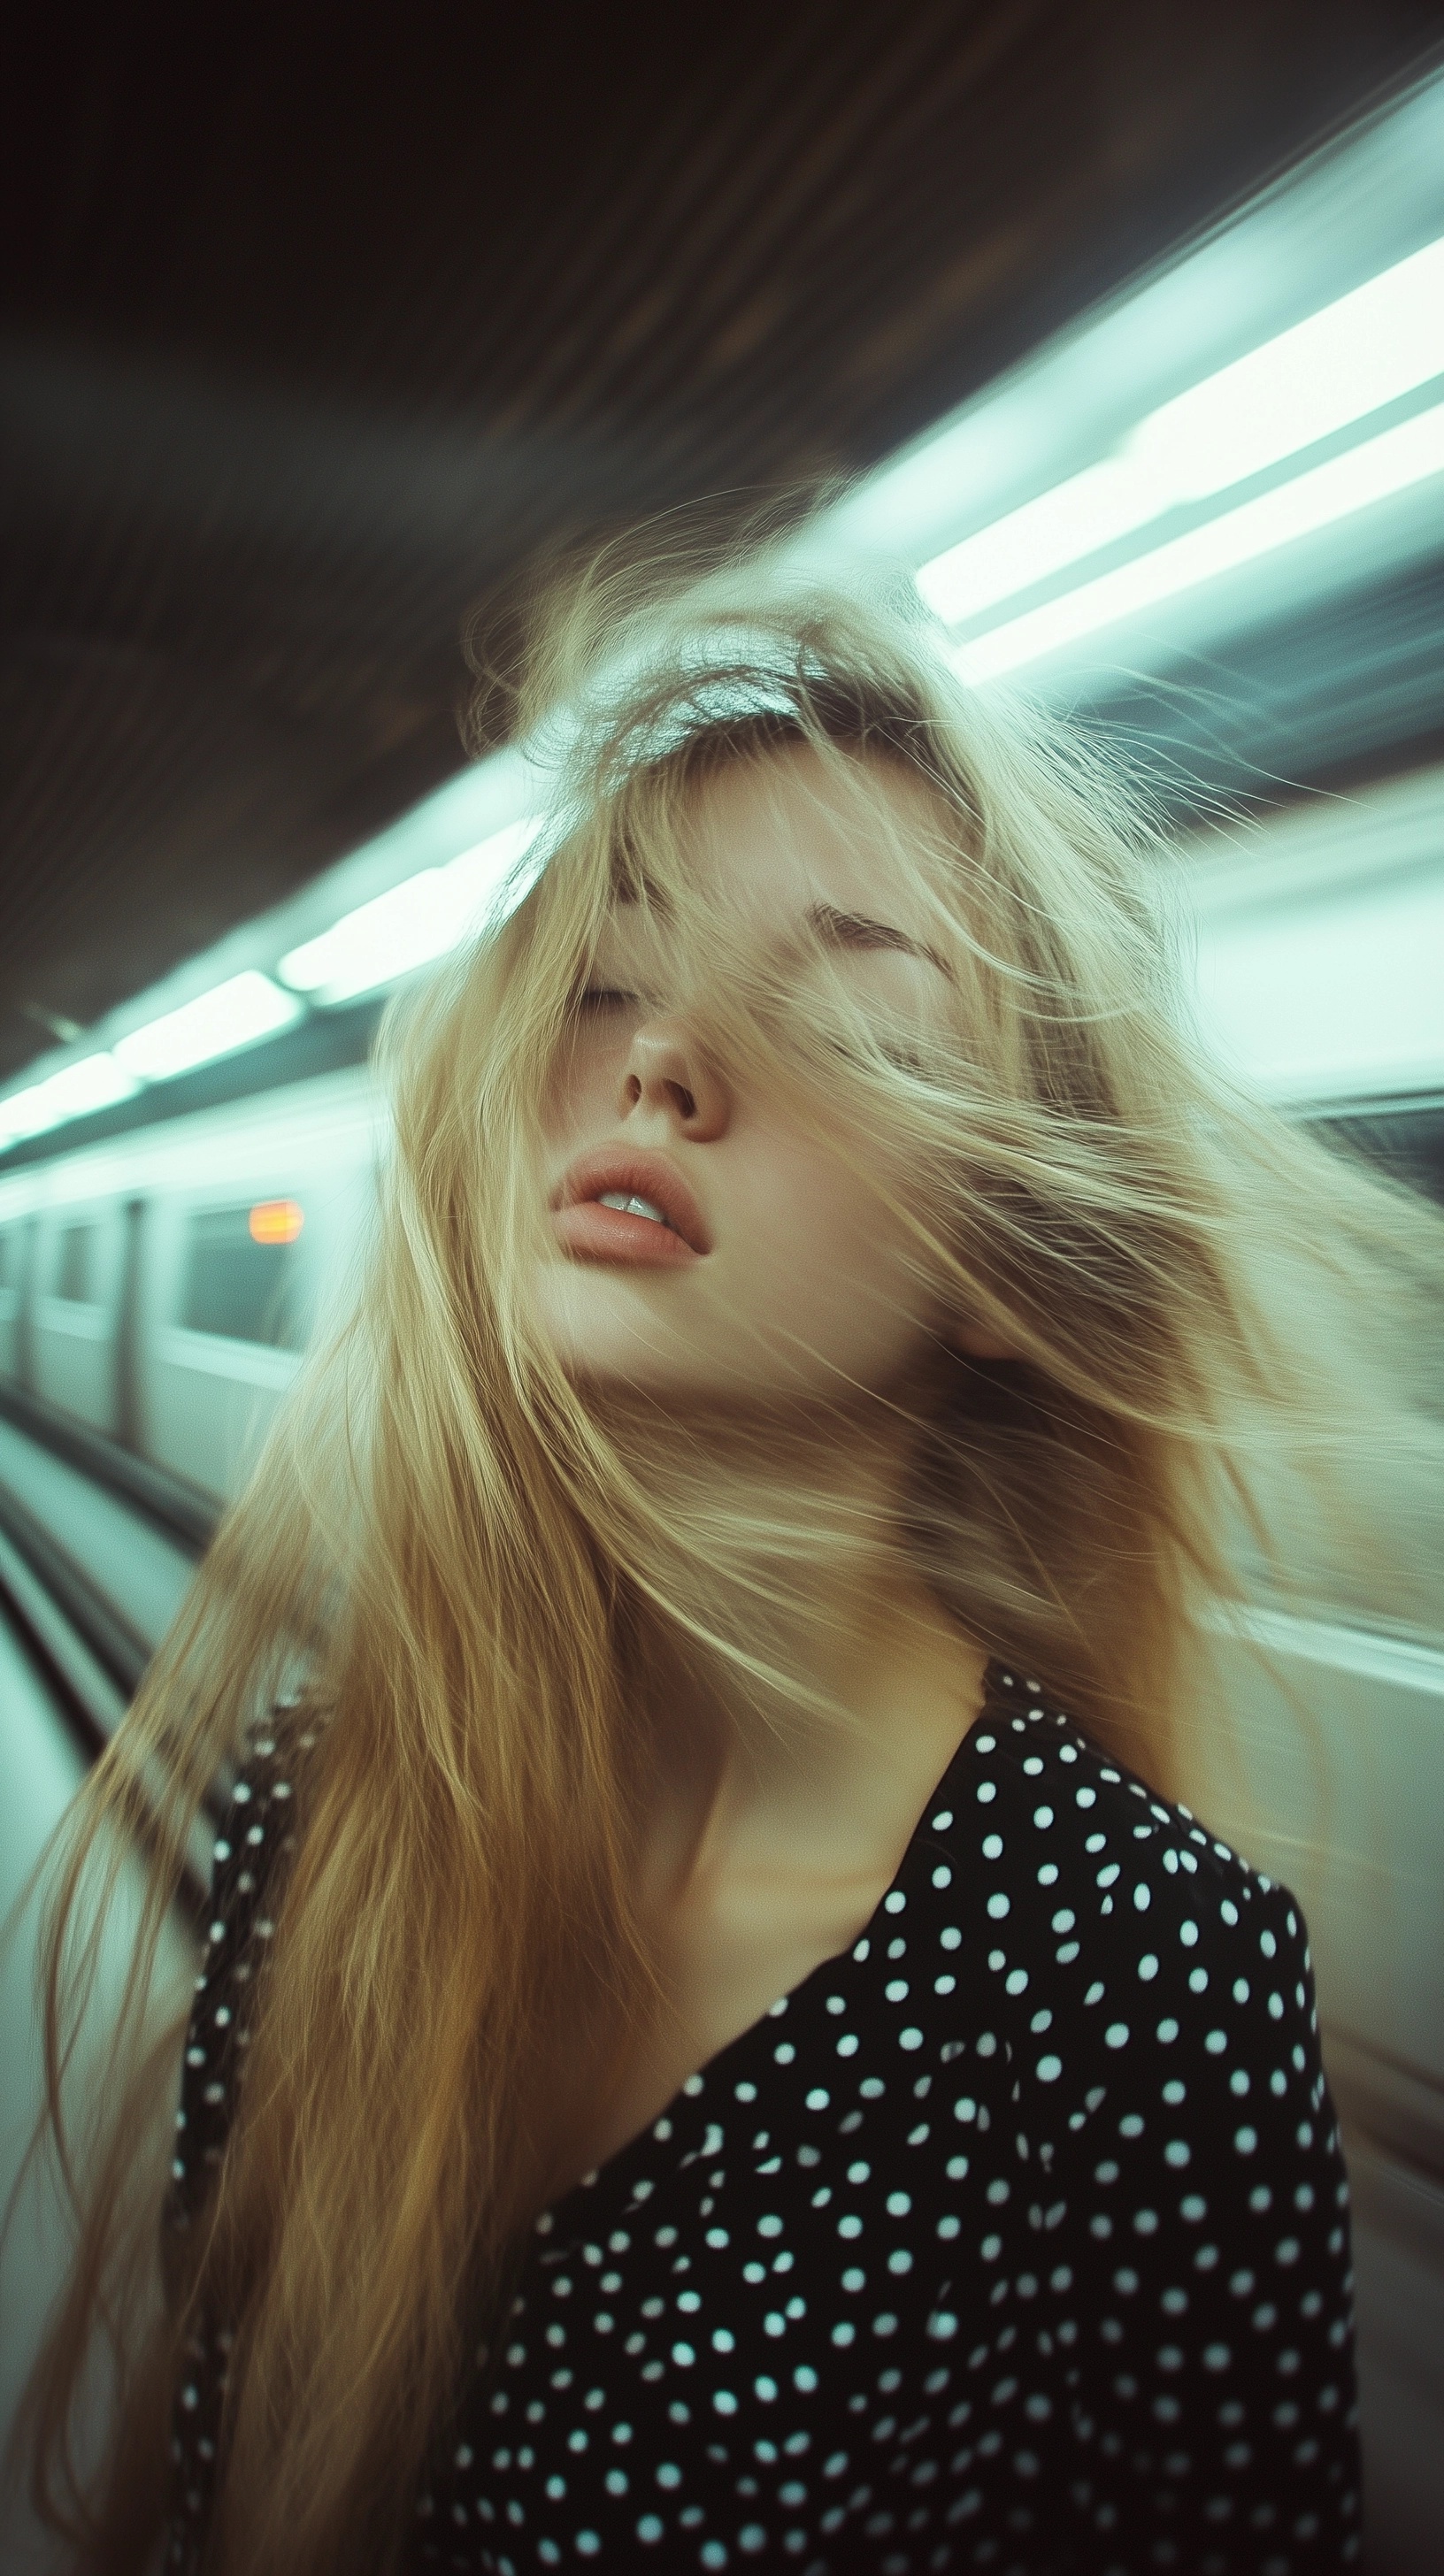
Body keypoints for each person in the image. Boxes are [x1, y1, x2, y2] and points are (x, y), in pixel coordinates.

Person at [12, 556, 1442, 2575]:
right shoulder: (324, 1819)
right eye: (602, 978)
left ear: (1004, 1275)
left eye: (842, 1000)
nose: (661, 1055)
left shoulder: (1133, 1980)